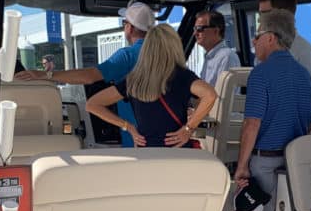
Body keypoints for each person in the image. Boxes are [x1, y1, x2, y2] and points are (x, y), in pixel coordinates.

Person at [231, 9, 311, 211]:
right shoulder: (305, 76)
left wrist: (241, 167)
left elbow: (252, 123)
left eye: (256, 37)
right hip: (293, 165)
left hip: (265, 163)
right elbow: (308, 127)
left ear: (269, 37)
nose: (254, 44)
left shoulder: (261, 74)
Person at [17, 2, 156, 146]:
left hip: (139, 141)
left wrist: (46, 75)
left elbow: (89, 77)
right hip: (168, 139)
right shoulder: (165, 54)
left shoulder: (127, 55)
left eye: (124, 23)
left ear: (130, 28)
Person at [85, 24, 217, 147]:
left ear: (147, 48)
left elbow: (92, 104)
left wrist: (128, 126)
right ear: (174, 47)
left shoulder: (133, 79)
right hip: (176, 149)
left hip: (146, 150)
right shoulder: (181, 75)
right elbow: (210, 95)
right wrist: (189, 128)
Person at [258, 0, 311, 111]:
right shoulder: (265, 49)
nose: (260, 20)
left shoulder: (305, 52)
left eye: (265, 14)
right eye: (260, 14)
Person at [194, 10, 240, 86]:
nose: (195, 33)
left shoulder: (226, 57)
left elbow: (223, 96)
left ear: (216, 31)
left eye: (199, 29)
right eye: (195, 29)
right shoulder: (210, 57)